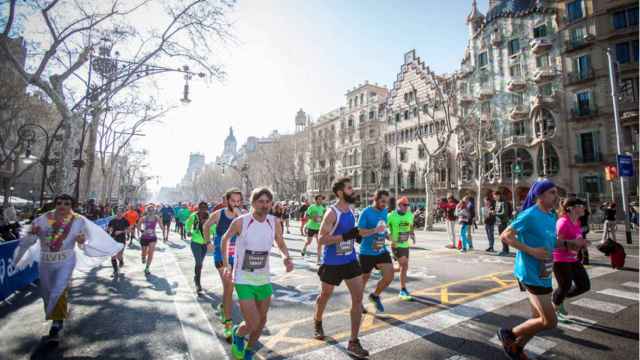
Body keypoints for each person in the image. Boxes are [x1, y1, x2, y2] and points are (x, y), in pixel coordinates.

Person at [12, 194, 123, 343]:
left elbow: (84, 242)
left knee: (59, 289)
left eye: (67, 203)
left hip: (66, 260)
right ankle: (55, 316)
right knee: (47, 291)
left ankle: (56, 323)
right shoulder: (44, 218)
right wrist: (33, 234)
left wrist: (82, 241)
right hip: (46, 261)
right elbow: (29, 239)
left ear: (72, 206)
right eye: (59, 203)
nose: (62, 206)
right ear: (55, 204)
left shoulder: (78, 220)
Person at [222, 187, 294, 360]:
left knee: (261, 322)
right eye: (260, 201)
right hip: (243, 278)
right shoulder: (241, 222)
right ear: (253, 203)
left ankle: (249, 351)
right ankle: (238, 334)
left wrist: (286, 257)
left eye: (268, 202)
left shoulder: (274, 221)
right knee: (252, 322)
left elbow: (280, 243)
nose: (264, 205)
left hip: (263, 279)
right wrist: (227, 265)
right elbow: (225, 239)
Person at [497, 179, 559, 359]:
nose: (556, 196)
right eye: (552, 193)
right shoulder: (530, 215)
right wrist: (532, 251)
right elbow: (505, 236)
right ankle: (510, 333)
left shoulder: (550, 215)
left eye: (556, 192)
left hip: (544, 272)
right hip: (529, 272)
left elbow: (551, 241)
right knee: (549, 321)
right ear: (540, 195)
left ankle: (516, 348)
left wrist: (569, 244)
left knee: (536, 319)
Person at [313, 177, 369, 358]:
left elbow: (351, 234)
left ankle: (353, 341)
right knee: (325, 296)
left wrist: (357, 236)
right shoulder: (332, 213)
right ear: (340, 192)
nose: (353, 191)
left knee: (358, 298)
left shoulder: (351, 211)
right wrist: (345, 236)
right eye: (349, 188)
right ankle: (318, 320)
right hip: (332, 263)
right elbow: (321, 239)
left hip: (350, 260)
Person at [204, 188, 244, 341]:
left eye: (238, 201)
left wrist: (241, 217)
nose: (235, 203)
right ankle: (228, 324)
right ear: (226, 201)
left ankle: (223, 307)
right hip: (221, 254)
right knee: (229, 286)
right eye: (232, 200)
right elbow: (206, 226)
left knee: (230, 288)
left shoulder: (242, 215)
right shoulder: (219, 214)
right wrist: (208, 242)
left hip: (237, 255)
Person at [553, 198, 590, 322]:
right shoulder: (563, 222)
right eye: (581, 205)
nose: (584, 207)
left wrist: (583, 243)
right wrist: (574, 242)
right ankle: (555, 309)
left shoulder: (577, 222)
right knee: (565, 285)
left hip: (573, 258)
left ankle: (558, 298)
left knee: (584, 285)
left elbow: (577, 239)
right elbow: (556, 243)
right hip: (560, 259)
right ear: (570, 208)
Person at [357, 190, 392, 313]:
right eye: (382, 201)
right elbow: (360, 232)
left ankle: (375, 296)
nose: (384, 204)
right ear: (375, 199)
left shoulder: (384, 211)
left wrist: (388, 235)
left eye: (386, 202)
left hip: (381, 249)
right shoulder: (365, 212)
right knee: (363, 280)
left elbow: (383, 228)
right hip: (367, 252)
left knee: (389, 277)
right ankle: (358, 302)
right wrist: (375, 230)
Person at [387, 196, 416, 301]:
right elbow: (385, 227)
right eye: (404, 205)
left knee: (401, 268)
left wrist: (412, 234)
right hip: (396, 245)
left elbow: (411, 225)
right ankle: (403, 289)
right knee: (404, 265)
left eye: (407, 205)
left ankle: (386, 271)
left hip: (405, 244)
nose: (406, 207)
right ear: (398, 205)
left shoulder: (409, 215)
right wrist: (389, 235)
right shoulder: (391, 215)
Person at [185, 202, 212, 294]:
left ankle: (196, 277)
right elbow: (188, 223)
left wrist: (216, 234)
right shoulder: (194, 216)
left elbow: (213, 228)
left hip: (205, 243)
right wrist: (188, 231)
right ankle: (198, 283)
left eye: (205, 208)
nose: (203, 209)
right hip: (195, 242)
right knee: (199, 262)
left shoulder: (209, 217)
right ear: (198, 208)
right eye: (201, 208)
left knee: (200, 263)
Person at [301, 195, 326, 265]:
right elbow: (305, 216)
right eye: (319, 199)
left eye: (321, 199)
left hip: (319, 228)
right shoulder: (312, 207)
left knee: (319, 243)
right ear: (316, 200)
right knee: (309, 242)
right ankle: (304, 248)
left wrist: (321, 218)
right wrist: (313, 218)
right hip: (311, 227)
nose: (320, 201)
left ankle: (318, 259)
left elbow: (323, 217)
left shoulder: (322, 208)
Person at [107, 207, 129, 279]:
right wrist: (109, 232)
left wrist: (121, 231)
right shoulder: (112, 220)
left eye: (121, 212)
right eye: (118, 212)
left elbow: (127, 230)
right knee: (113, 255)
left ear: (123, 213)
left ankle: (121, 260)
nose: (119, 213)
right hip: (113, 239)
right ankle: (115, 270)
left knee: (119, 256)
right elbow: (108, 229)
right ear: (116, 213)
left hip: (122, 239)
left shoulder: (125, 220)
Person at [138, 205, 160, 275]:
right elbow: (138, 225)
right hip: (144, 237)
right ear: (147, 211)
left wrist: (163, 228)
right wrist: (141, 231)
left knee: (151, 253)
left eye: (152, 210)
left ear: (154, 211)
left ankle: (147, 268)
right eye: (149, 210)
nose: (151, 212)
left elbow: (161, 224)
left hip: (153, 237)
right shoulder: (143, 218)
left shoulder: (156, 217)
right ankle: (143, 257)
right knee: (144, 252)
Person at [496, 192, 512, 256]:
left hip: (503, 222)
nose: (494, 197)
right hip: (498, 222)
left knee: (504, 237)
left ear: (499, 196)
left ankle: (506, 250)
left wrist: (495, 213)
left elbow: (504, 213)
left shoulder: (503, 203)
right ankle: (504, 249)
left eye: (495, 196)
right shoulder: (497, 202)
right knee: (501, 237)